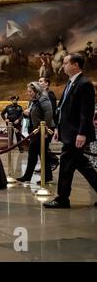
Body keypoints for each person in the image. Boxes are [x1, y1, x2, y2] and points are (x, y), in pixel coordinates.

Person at [44, 53, 97, 208]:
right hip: (69, 132)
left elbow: (85, 112)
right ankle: (62, 198)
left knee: (66, 165)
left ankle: (62, 199)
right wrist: (58, 128)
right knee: (83, 165)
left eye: (66, 62)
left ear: (75, 65)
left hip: (76, 134)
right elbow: (64, 109)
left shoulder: (84, 83)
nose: (63, 65)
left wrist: (82, 133)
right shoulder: (71, 82)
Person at [16, 82, 54, 184]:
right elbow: (32, 114)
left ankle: (45, 177)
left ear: (36, 91)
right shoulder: (33, 100)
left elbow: (48, 114)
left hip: (42, 131)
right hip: (35, 130)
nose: (29, 93)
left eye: (30, 91)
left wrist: (45, 130)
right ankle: (29, 176)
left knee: (42, 154)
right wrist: (25, 113)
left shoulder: (43, 99)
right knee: (34, 154)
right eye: (28, 91)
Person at [39, 76, 60, 171]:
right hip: (42, 124)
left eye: (41, 81)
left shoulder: (50, 94)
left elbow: (51, 110)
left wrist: (51, 126)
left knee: (44, 146)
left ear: (46, 83)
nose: (39, 83)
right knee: (41, 146)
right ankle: (45, 167)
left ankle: (54, 160)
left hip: (49, 124)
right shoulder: (41, 94)